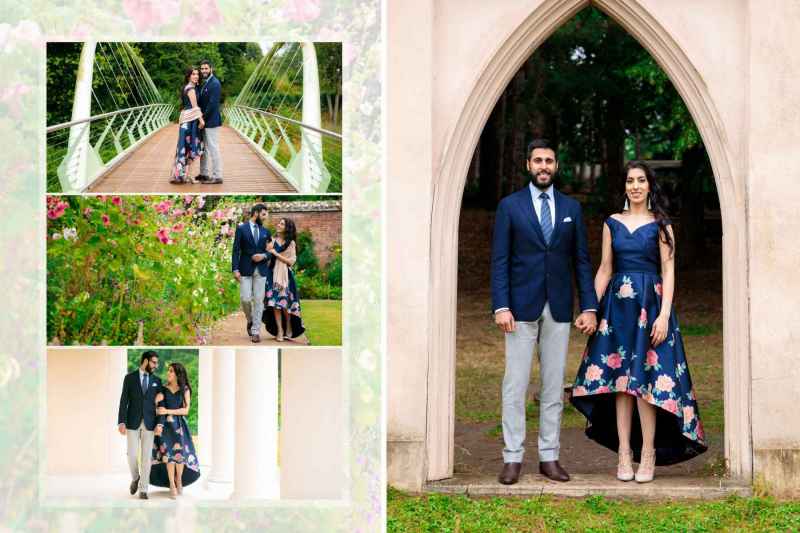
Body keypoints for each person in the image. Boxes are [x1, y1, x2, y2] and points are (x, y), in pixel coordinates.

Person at [570, 161, 707, 482]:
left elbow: (668, 272)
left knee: (646, 385)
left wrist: (664, 315)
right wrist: (590, 309)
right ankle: (623, 454)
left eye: (641, 180)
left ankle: (648, 453)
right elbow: (605, 268)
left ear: (649, 185)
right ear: (625, 186)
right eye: (630, 180)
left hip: (651, 309)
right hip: (617, 311)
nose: (635, 186)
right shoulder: (612, 223)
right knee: (621, 383)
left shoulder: (661, 225)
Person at [491, 138, 598, 485]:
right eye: (538, 161)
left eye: (549, 161)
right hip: (519, 308)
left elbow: (581, 260)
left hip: (559, 307)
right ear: (528, 165)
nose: (543, 167)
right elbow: (500, 260)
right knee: (515, 385)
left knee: (553, 387)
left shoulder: (571, 208)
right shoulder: (510, 206)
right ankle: (512, 457)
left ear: (556, 166)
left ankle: (549, 457)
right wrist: (501, 305)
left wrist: (590, 306)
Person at [150, 362, 200, 498]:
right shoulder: (163, 389)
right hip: (166, 427)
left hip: (179, 427)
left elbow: (186, 410)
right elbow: (158, 410)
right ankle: (172, 484)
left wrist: (167, 411)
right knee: (169, 457)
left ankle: (179, 480)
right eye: (168, 370)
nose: (168, 373)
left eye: (171, 371)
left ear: (178, 374)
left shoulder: (185, 390)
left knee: (180, 456)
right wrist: (156, 402)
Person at [117, 351, 161, 500]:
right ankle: (136, 477)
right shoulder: (129, 378)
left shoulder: (157, 381)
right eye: (154, 362)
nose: (156, 365)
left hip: (150, 423)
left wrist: (159, 423)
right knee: (132, 454)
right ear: (145, 361)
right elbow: (124, 400)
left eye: (157, 363)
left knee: (146, 458)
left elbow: (160, 404)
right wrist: (121, 421)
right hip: (132, 421)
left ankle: (143, 489)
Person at [262, 217, 308, 343]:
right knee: (275, 303)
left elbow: (291, 261)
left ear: (287, 228)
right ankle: (280, 330)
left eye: (282, 224)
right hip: (272, 275)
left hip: (285, 277)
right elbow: (267, 256)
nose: (278, 225)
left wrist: (276, 254)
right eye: (279, 223)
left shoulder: (291, 243)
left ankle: (288, 324)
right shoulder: (271, 241)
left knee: (284, 303)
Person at [232, 203, 271, 342]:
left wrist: (263, 256)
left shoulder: (266, 232)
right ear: (256, 213)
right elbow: (236, 250)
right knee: (245, 299)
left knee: (259, 301)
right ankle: (250, 320)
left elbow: (270, 252)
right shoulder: (241, 229)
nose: (265, 217)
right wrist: (235, 269)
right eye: (263, 214)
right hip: (245, 268)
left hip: (261, 270)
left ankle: (255, 331)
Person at [170, 66, 205, 184]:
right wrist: (201, 120)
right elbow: (195, 107)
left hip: (187, 121)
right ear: (189, 76)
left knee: (185, 148)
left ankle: (182, 175)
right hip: (190, 122)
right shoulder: (191, 89)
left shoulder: (188, 87)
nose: (196, 76)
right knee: (190, 147)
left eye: (197, 74)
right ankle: (183, 175)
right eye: (193, 74)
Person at [196, 59, 223, 184]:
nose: (204, 71)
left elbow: (212, 105)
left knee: (213, 148)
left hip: (211, 121)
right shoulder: (205, 83)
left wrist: (202, 119)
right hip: (204, 121)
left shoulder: (215, 83)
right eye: (202, 69)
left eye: (206, 68)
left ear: (211, 69)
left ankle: (217, 176)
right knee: (204, 148)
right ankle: (204, 173)